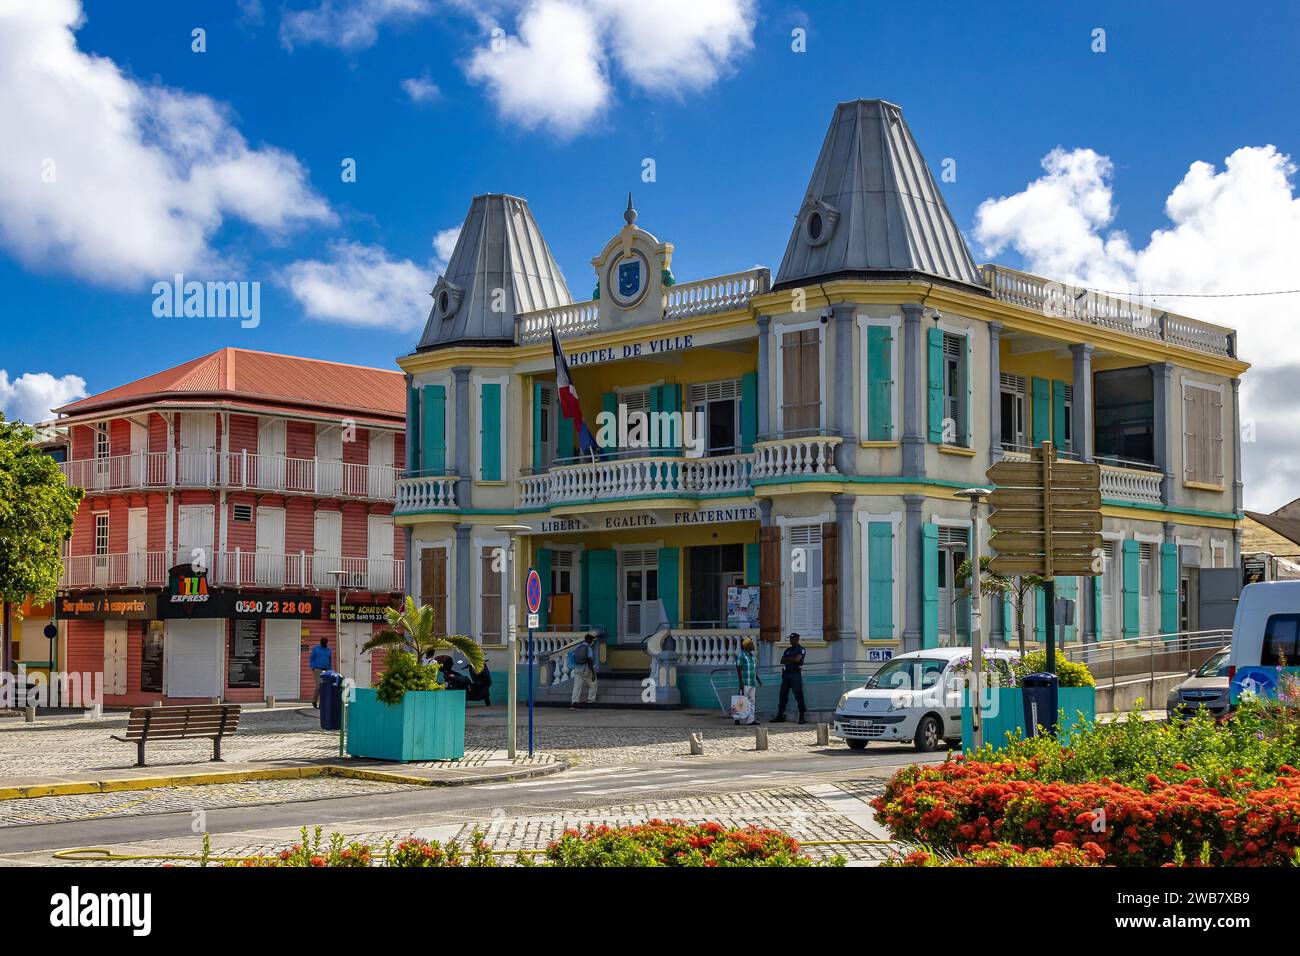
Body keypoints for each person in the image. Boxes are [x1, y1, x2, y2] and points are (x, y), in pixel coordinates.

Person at [770, 632, 807, 724]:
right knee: (782, 696)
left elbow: (798, 660)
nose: (790, 640)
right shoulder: (787, 650)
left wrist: (789, 659)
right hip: (786, 675)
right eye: (790, 639)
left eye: (792, 639)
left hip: (795, 675)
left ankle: (802, 716)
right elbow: (782, 660)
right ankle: (780, 715)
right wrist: (793, 659)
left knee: (798, 696)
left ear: (797, 639)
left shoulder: (801, 649)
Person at [733, 637, 761, 725]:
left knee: (752, 701)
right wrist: (741, 682)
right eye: (751, 644)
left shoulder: (752, 656)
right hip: (745, 682)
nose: (753, 645)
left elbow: (753, 669)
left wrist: (758, 680)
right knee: (741, 701)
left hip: (752, 682)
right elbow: (738, 668)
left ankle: (751, 720)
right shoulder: (741, 655)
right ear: (746, 646)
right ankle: (737, 719)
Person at [570, 632, 599, 709]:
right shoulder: (588, 648)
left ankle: (574, 703)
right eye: (592, 641)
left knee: (576, 686)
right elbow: (590, 661)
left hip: (577, 669)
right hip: (585, 669)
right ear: (590, 640)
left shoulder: (578, 647)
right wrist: (593, 672)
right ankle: (590, 700)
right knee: (593, 683)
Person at [309, 637, 332, 708]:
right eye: (322, 643)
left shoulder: (329, 650)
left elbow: (329, 660)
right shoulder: (316, 649)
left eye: (324, 643)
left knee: (325, 686)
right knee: (319, 685)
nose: (323, 644)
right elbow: (311, 658)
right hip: (318, 669)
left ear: (326, 643)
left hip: (327, 670)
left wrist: (330, 669)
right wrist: (313, 668)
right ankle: (317, 701)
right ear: (320, 642)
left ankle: (318, 702)